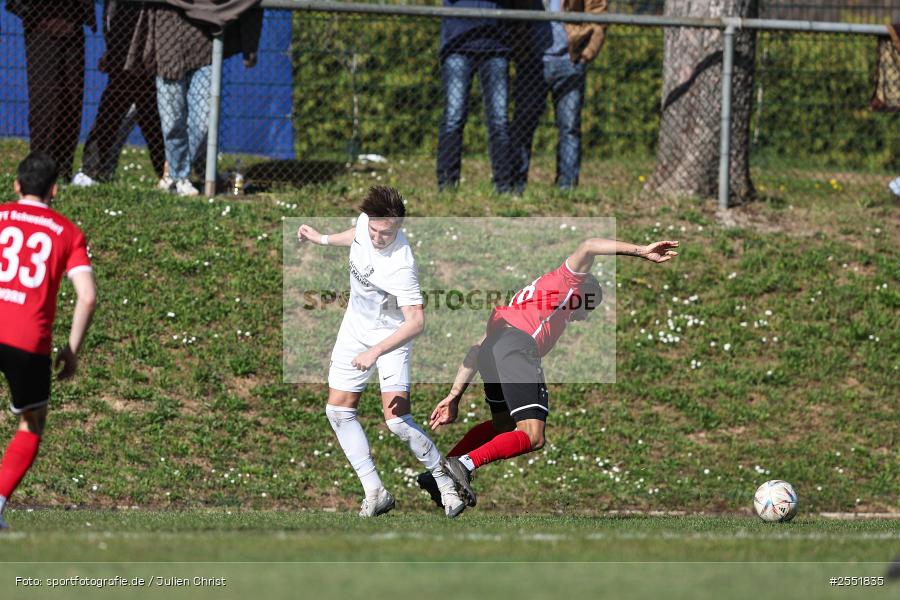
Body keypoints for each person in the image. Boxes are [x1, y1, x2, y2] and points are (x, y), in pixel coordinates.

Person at [420, 236, 678, 508]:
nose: (586, 314)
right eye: (590, 305)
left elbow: (476, 350)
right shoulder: (567, 281)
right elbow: (589, 245)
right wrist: (641, 251)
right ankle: (462, 464)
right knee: (533, 435)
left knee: (503, 426)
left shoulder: (527, 300)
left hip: (493, 351)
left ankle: (438, 475)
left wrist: (454, 395)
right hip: (516, 348)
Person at [296, 186, 465, 518]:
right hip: (354, 330)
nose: (377, 237)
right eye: (373, 229)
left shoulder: (401, 265)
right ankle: (375, 492)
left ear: (399, 227)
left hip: (391, 338)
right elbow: (357, 234)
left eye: (385, 233)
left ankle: (447, 483)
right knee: (338, 412)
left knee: (397, 421)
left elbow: (416, 322)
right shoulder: (366, 224)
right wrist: (322, 239)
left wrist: (376, 351)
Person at [0, 152, 97, 529]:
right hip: (28, 339)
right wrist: (71, 350)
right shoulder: (67, 232)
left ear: (16, 185)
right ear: (55, 189)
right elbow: (87, 296)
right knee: (32, 421)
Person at [511, 0, 608, 192]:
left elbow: (598, 14)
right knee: (522, 125)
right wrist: (519, 51)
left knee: (569, 128)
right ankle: (515, 185)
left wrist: (587, 53)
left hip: (569, 63)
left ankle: (567, 187)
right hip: (532, 62)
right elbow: (513, 15)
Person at [72, 0, 166, 188]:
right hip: (122, 63)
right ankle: (91, 170)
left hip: (139, 64)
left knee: (147, 117)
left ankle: (166, 171)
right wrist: (112, 52)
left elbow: (136, 28)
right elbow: (112, 24)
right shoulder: (114, 6)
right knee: (124, 114)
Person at [5, 1, 96, 182]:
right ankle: (39, 171)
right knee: (46, 103)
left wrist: (74, 19)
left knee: (71, 99)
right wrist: (40, 18)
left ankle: (63, 170)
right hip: (40, 27)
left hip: (73, 26)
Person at [436, 0, 515, 193]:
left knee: (500, 120)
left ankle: (503, 186)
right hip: (458, 44)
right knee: (454, 117)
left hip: (496, 46)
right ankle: (447, 185)